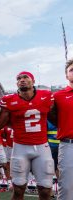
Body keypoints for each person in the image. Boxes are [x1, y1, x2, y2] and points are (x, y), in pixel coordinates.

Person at [0, 71, 54, 200]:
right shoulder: (8, 100)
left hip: (42, 146)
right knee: (18, 189)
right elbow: (1, 123)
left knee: (45, 190)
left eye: (25, 77)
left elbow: (55, 118)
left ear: (33, 81)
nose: (22, 80)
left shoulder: (46, 96)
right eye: (19, 78)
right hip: (20, 147)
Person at [49, 59, 73, 200]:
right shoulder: (58, 96)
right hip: (68, 144)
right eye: (71, 70)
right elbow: (51, 115)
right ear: (66, 75)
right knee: (67, 186)